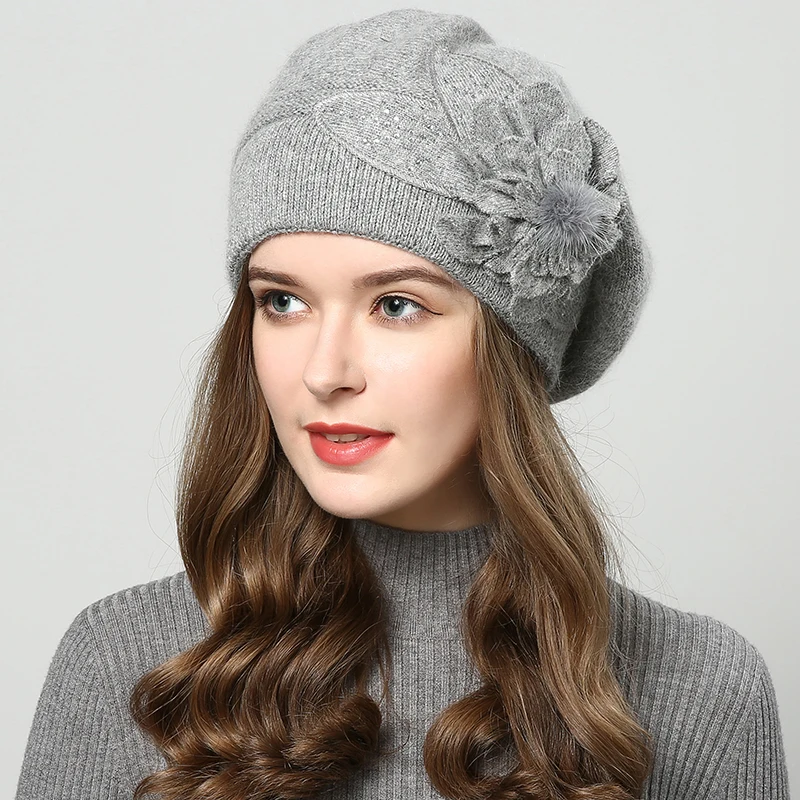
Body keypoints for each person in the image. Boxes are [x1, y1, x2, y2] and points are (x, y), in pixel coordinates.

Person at [15, 8, 789, 800]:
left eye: (396, 305)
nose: (324, 372)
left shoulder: (701, 691)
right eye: (283, 301)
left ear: (511, 342)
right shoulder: (128, 666)